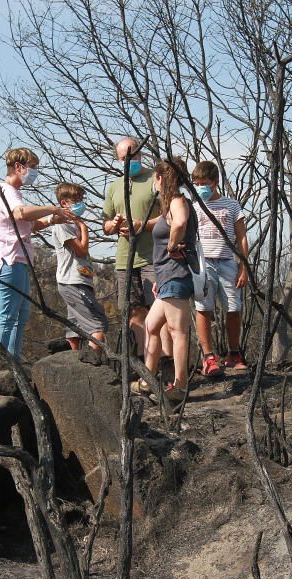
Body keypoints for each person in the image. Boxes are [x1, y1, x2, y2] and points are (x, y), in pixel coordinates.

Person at [0, 147, 72, 358]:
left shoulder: (15, 193)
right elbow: (21, 213)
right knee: (8, 316)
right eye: (32, 168)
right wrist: (52, 209)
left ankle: (13, 359)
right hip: (9, 259)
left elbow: (30, 225)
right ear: (18, 167)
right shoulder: (4, 191)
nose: (34, 173)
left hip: (21, 260)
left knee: (21, 315)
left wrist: (51, 220)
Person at [131, 158, 197, 402]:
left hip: (177, 276)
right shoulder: (169, 206)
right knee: (151, 326)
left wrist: (171, 244)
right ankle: (148, 380)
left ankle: (180, 385)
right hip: (167, 277)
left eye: (154, 178)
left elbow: (179, 223)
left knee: (178, 331)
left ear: (160, 178)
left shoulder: (178, 202)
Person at [103, 137, 161, 357]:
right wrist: (115, 225)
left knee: (158, 309)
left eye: (132, 155)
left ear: (140, 153)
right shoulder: (114, 187)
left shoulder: (154, 179)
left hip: (153, 257)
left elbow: (170, 215)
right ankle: (141, 361)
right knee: (133, 310)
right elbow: (105, 225)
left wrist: (142, 225)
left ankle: (163, 362)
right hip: (125, 259)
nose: (128, 161)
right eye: (122, 158)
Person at [191, 160, 250, 374]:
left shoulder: (231, 205)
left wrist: (243, 267)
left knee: (234, 308)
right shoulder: (193, 206)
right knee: (204, 308)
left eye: (204, 183)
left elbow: (242, 237)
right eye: (196, 184)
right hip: (203, 263)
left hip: (227, 261)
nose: (200, 188)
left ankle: (234, 354)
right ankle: (208, 357)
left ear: (214, 182)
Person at [51, 182, 108, 351]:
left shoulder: (73, 224)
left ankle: (74, 362)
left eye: (81, 199)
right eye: (75, 199)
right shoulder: (63, 225)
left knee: (75, 327)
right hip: (72, 281)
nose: (80, 203)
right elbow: (82, 251)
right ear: (64, 203)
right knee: (97, 324)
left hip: (81, 280)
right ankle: (92, 363)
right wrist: (84, 228)